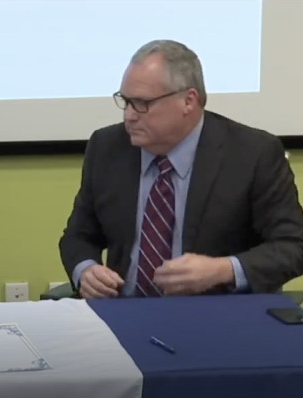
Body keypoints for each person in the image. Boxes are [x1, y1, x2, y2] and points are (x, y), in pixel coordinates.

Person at [59, 39, 303, 299]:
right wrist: (86, 271)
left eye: (142, 103)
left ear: (188, 101)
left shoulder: (253, 154)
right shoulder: (107, 147)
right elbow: (78, 236)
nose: (129, 115)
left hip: (218, 315)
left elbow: (293, 245)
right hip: (123, 313)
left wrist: (223, 269)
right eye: (126, 101)